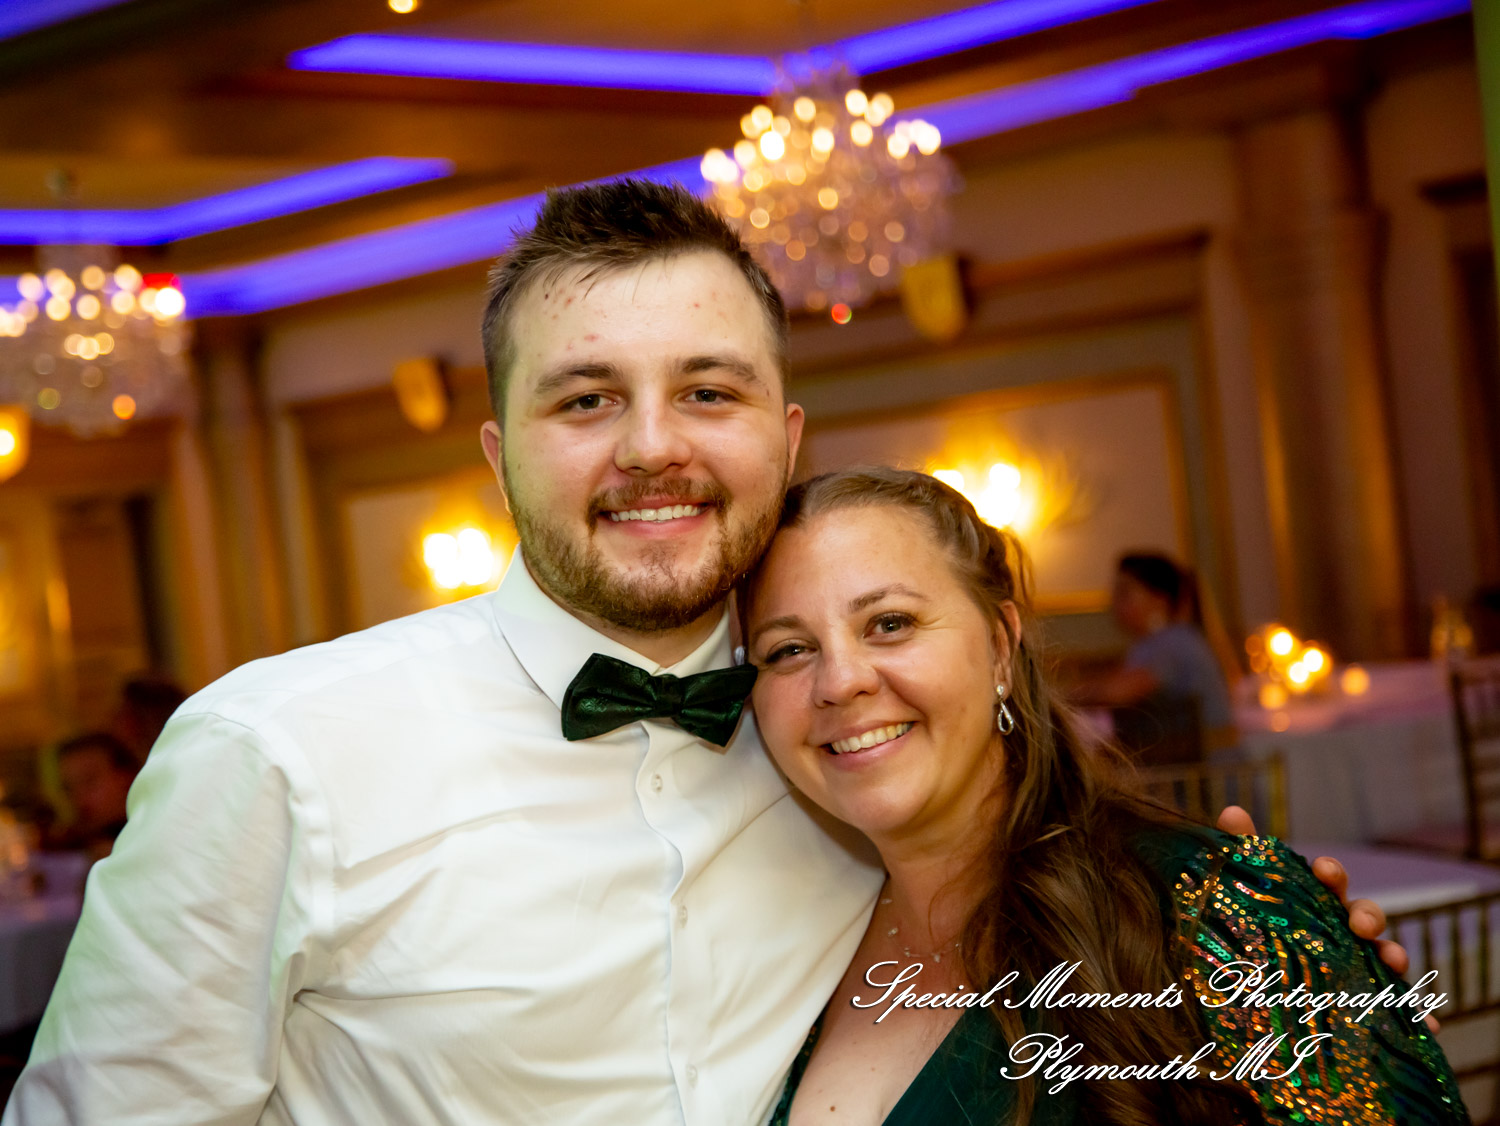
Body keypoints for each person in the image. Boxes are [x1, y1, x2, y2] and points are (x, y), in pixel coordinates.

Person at [6, 182, 1406, 1125]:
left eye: (709, 390)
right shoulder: (276, 751)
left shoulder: (843, 757)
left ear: (785, 439)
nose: (654, 445)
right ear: (501, 458)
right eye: (586, 397)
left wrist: (1263, 924)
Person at [743, 467, 1463, 1125]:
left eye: (890, 624)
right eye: (787, 650)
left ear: (999, 646)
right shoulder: (797, 945)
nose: (839, 681)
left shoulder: (1205, 905)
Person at [1075, 552, 1239, 761]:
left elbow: (1117, 691)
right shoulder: (1153, 643)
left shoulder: (1173, 642)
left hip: (1211, 775)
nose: (1114, 602)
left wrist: (1059, 696)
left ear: (1159, 599)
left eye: (1124, 592)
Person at [49, 732, 140, 860]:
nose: (78, 796)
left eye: (89, 780)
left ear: (127, 778)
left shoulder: (157, 839)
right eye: (68, 788)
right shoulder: (69, 851)